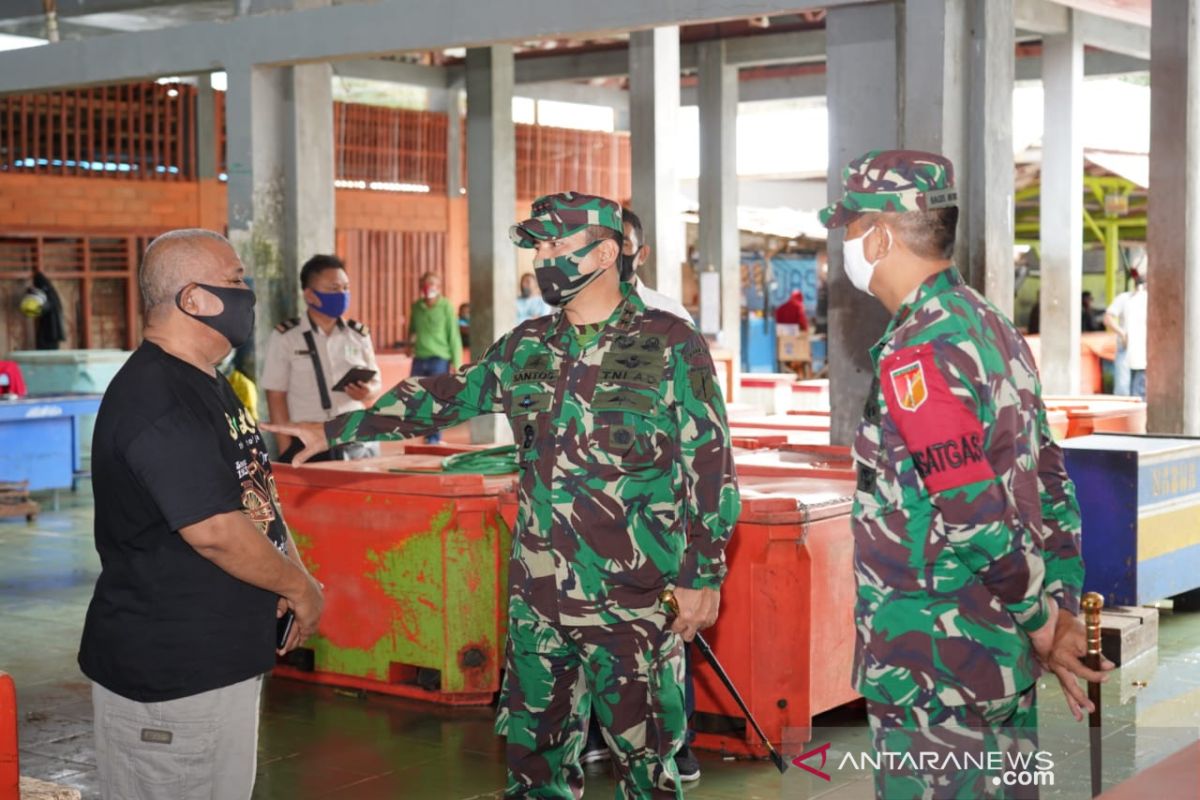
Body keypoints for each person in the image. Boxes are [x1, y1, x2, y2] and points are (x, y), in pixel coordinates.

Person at [265, 192, 740, 799]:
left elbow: (712, 463)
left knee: (648, 767)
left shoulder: (671, 343)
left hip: (634, 600)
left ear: (608, 251)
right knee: (534, 765)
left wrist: (703, 574)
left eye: (557, 245)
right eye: (538, 246)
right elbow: (442, 397)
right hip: (538, 599)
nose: (543, 259)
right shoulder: (529, 344)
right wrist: (333, 429)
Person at [821, 151, 1112, 799]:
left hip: (935, 669)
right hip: (996, 656)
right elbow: (1050, 481)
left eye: (847, 226)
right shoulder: (991, 326)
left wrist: (1043, 626)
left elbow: (972, 510)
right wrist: (1059, 611)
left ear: (879, 234)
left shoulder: (919, 349)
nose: (842, 241)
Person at [78, 229, 324, 800]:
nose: (249, 293)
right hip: (172, 679)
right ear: (195, 299)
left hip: (214, 661)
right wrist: (302, 586)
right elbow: (216, 532)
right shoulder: (157, 398)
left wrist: (291, 568)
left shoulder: (206, 382)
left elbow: (253, 499)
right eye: (236, 280)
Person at [576, 206, 699, 782]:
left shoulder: (668, 319)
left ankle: (677, 744)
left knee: (663, 635)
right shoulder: (566, 316)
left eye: (617, 246)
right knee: (590, 629)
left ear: (637, 253)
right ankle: (602, 734)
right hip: (585, 513)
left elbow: (697, 431)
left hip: (650, 515)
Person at [261, 254, 382, 463]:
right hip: (308, 439)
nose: (342, 294)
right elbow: (275, 395)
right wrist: (286, 448)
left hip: (355, 438)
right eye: (334, 289)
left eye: (346, 288)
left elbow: (376, 384)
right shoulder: (287, 337)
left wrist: (367, 392)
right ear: (310, 295)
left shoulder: (358, 335)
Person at [407, 271, 462, 444]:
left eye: (433, 284)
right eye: (425, 283)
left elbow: (453, 336)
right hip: (419, 359)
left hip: (440, 359)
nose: (429, 287)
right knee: (418, 398)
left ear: (439, 288)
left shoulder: (446, 306)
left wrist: (457, 362)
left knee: (437, 400)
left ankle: (434, 438)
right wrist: (410, 346)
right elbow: (412, 330)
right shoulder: (416, 307)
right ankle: (425, 433)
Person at [620, 207, 692, 322]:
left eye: (623, 244)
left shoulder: (672, 315)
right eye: (603, 244)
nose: (612, 252)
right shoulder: (582, 311)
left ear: (642, 254)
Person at [1104, 270, 1148, 399]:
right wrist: (1122, 333)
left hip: (1144, 348)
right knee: (1123, 391)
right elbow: (1108, 318)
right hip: (1127, 346)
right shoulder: (1125, 298)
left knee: (1139, 392)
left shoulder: (1151, 299)